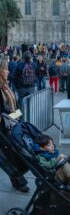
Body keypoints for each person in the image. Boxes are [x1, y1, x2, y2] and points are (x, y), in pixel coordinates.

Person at [0, 58, 30, 193]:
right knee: (7, 157)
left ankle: (18, 180)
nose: (8, 71)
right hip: (3, 127)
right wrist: (12, 117)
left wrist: (18, 117)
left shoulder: (6, 85)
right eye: (5, 69)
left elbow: (14, 105)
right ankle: (18, 181)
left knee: (11, 155)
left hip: (11, 124)